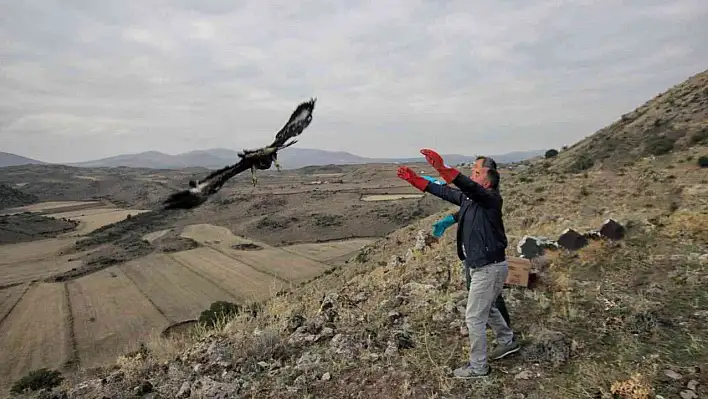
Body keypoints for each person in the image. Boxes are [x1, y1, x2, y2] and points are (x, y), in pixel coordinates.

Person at [397, 149, 519, 378]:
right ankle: (508, 341)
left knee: (474, 317)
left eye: (476, 172)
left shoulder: (490, 198)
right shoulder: (469, 199)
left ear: (489, 177)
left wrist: (443, 169)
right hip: (484, 265)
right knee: (489, 307)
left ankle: (478, 367)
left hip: (488, 268)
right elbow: (442, 190)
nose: (472, 176)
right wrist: (414, 179)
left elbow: (467, 185)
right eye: (471, 171)